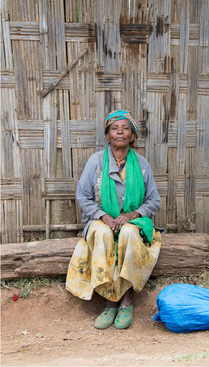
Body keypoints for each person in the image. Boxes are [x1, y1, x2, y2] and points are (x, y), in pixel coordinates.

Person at [66, 110, 162, 330]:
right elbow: (83, 197)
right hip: (101, 219)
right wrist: (103, 216)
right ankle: (109, 301)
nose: (120, 131)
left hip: (133, 221)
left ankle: (125, 301)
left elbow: (153, 200)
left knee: (128, 232)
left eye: (125, 128)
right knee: (102, 233)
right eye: (114, 128)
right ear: (107, 135)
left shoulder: (142, 164)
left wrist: (131, 215)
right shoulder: (96, 162)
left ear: (133, 136)